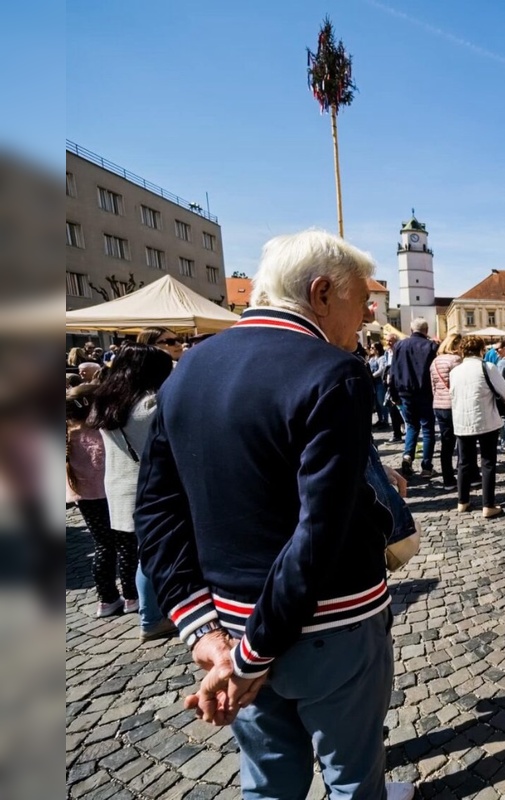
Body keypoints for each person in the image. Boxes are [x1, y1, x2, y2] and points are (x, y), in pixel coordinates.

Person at [135, 230, 415, 800]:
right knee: (353, 778)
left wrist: (204, 631)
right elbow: (319, 534)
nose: (365, 316)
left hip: (231, 619)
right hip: (331, 624)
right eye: (360, 300)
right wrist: (248, 657)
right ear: (320, 293)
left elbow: (158, 512)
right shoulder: (334, 372)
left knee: (267, 782)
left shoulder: (188, 368)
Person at [86, 342, 176, 639]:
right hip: (152, 488)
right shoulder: (149, 405)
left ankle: (152, 614)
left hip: (120, 486)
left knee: (145, 553)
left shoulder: (106, 400)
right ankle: (152, 617)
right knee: (155, 555)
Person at [68, 383, 131, 617]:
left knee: (103, 546)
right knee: (125, 545)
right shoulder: (101, 433)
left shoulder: (68, 434)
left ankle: (106, 598)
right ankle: (132, 595)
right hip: (111, 495)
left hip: (85, 499)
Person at [449, 336, 505, 520]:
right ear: (481, 350)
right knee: (488, 463)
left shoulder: (455, 371)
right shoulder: (487, 367)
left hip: (462, 420)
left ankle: (462, 501)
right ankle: (488, 505)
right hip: (485, 419)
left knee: (464, 462)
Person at [390, 318, 438, 478]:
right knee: (428, 429)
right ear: (426, 330)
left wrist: (394, 394)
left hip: (405, 392)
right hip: (425, 392)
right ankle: (426, 466)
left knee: (411, 426)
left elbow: (393, 372)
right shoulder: (431, 346)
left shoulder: (399, 345)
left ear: (411, 330)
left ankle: (408, 456)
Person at [430, 333, 462, 490]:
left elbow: (433, 386)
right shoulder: (455, 360)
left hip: (439, 405)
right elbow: (459, 384)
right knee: (461, 441)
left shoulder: (435, 361)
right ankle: (465, 474)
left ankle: (447, 478)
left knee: (446, 443)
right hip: (454, 405)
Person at [382, 333, 405, 442]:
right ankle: (397, 434)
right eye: (387, 341)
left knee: (401, 409)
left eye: (390, 341)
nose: (388, 343)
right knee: (392, 410)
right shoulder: (387, 353)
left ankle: (404, 428)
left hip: (399, 384)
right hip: (389, 385)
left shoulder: (400, 352)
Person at [368, 342, 389, 427]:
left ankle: (385, 420)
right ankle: (380, 419)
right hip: (373, 383)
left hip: (379, 383)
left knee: (381, 402)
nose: (371, 349)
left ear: (377, 349)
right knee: (377, 403)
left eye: (372, 348)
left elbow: (381, 370)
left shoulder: (382, 358)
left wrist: (371, 376)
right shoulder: (372, 359)